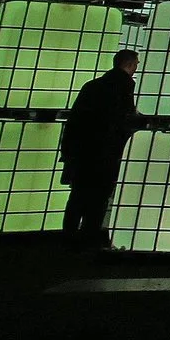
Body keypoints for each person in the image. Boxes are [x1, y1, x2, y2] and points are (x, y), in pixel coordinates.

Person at [59, 50, 141, 243]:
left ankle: (68, 237)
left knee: (78, 195)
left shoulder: (92, 86)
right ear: (129, 65)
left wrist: (68, 150)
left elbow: (75, 120)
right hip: (106, 151)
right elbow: (125, 121)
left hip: (82, 150)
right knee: (99, 197)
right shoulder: (125, 88)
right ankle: (89, 237)